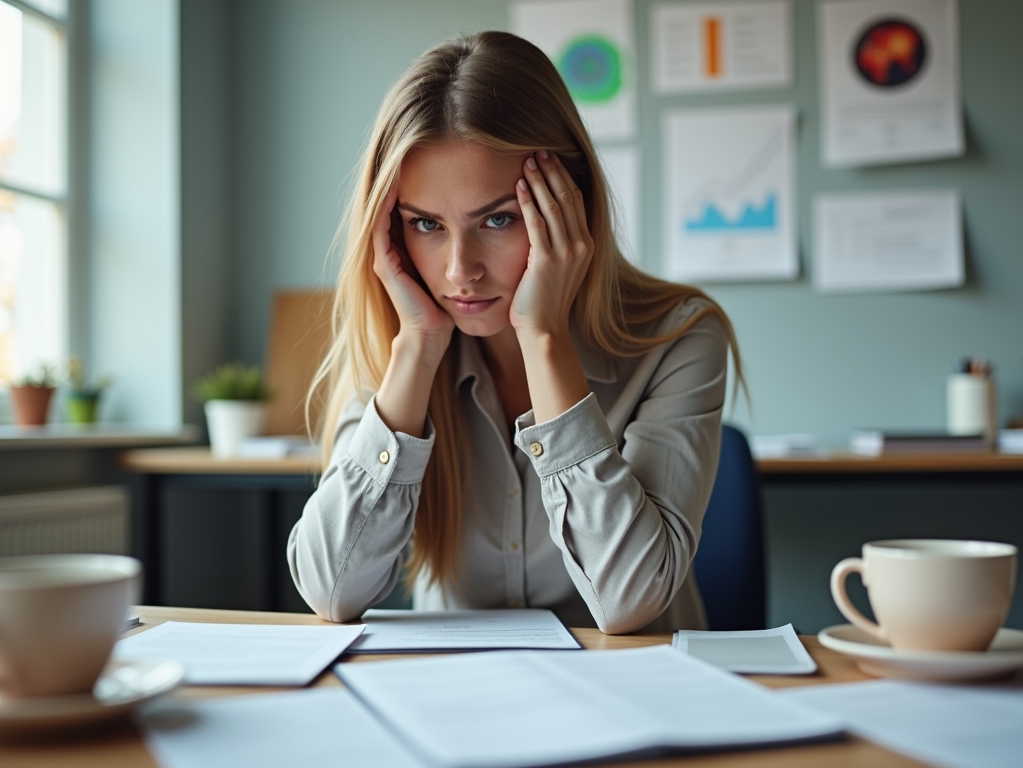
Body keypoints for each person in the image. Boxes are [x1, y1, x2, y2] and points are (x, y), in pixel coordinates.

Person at [287, 30, 741, 634]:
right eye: (425, 224)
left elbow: (630, 600)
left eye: (497, 219)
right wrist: (418, 351)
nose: (458, 270)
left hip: (636, 694)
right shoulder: (395, 339)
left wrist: (544, 339)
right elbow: (331, 591)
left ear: (569, 204)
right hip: (465, 705)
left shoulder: (680, 338)